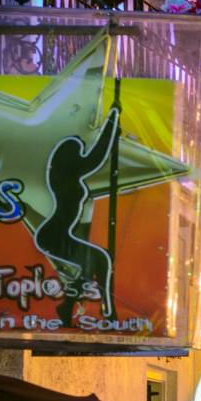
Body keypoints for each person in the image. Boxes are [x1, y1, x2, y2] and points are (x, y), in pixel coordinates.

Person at [34, 105, 119, 323]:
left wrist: (112, 126)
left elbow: (93, 159)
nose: (82, 153)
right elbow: (96, 158)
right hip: (54, 235)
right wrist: (111, 123)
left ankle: (69, 307)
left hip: (59, 234)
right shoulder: (66, 177)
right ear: (69, 157)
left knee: (92, 263)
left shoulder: (67, 177)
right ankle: (108, 310)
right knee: (101, 259)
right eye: (78, 150)